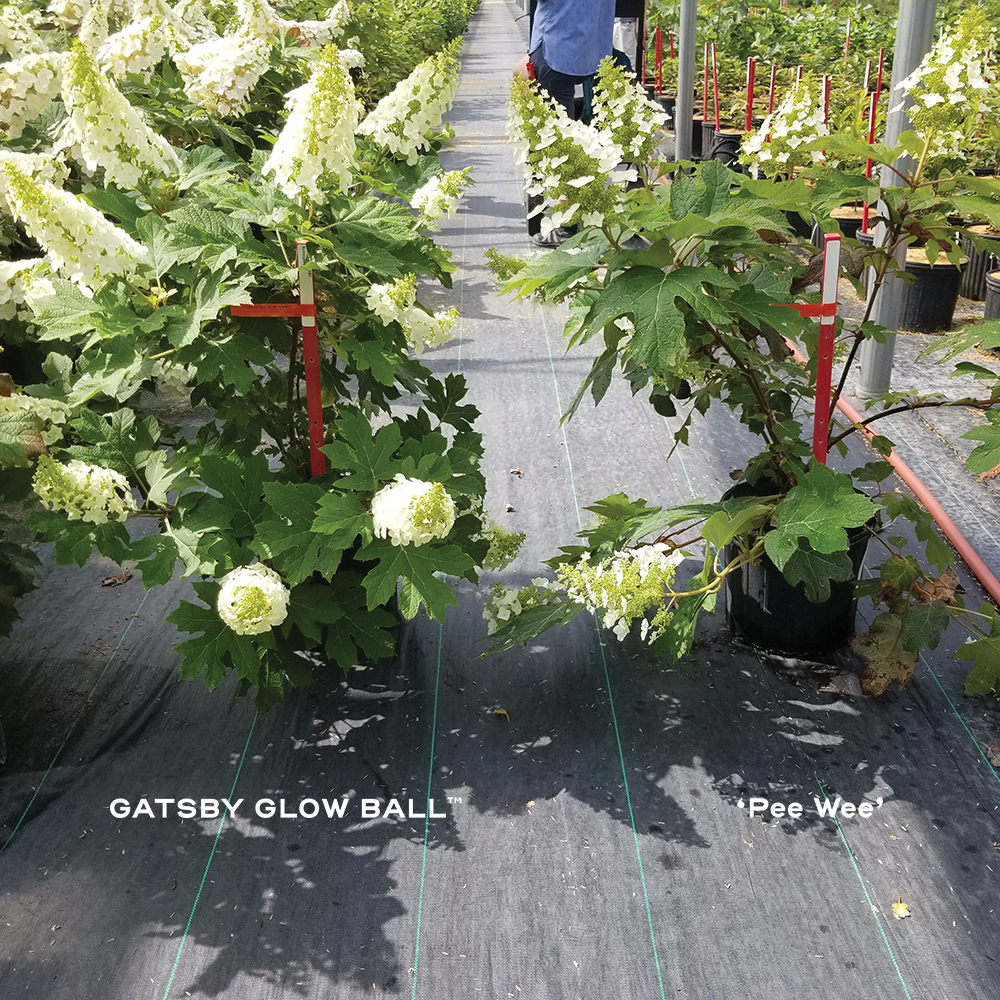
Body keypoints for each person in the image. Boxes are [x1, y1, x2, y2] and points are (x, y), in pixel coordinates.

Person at [523, 0, 617, 245]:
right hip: (591, 50)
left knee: (556, 141)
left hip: (556, 46)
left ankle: (566, 227)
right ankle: (583, 213)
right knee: (578, 136)